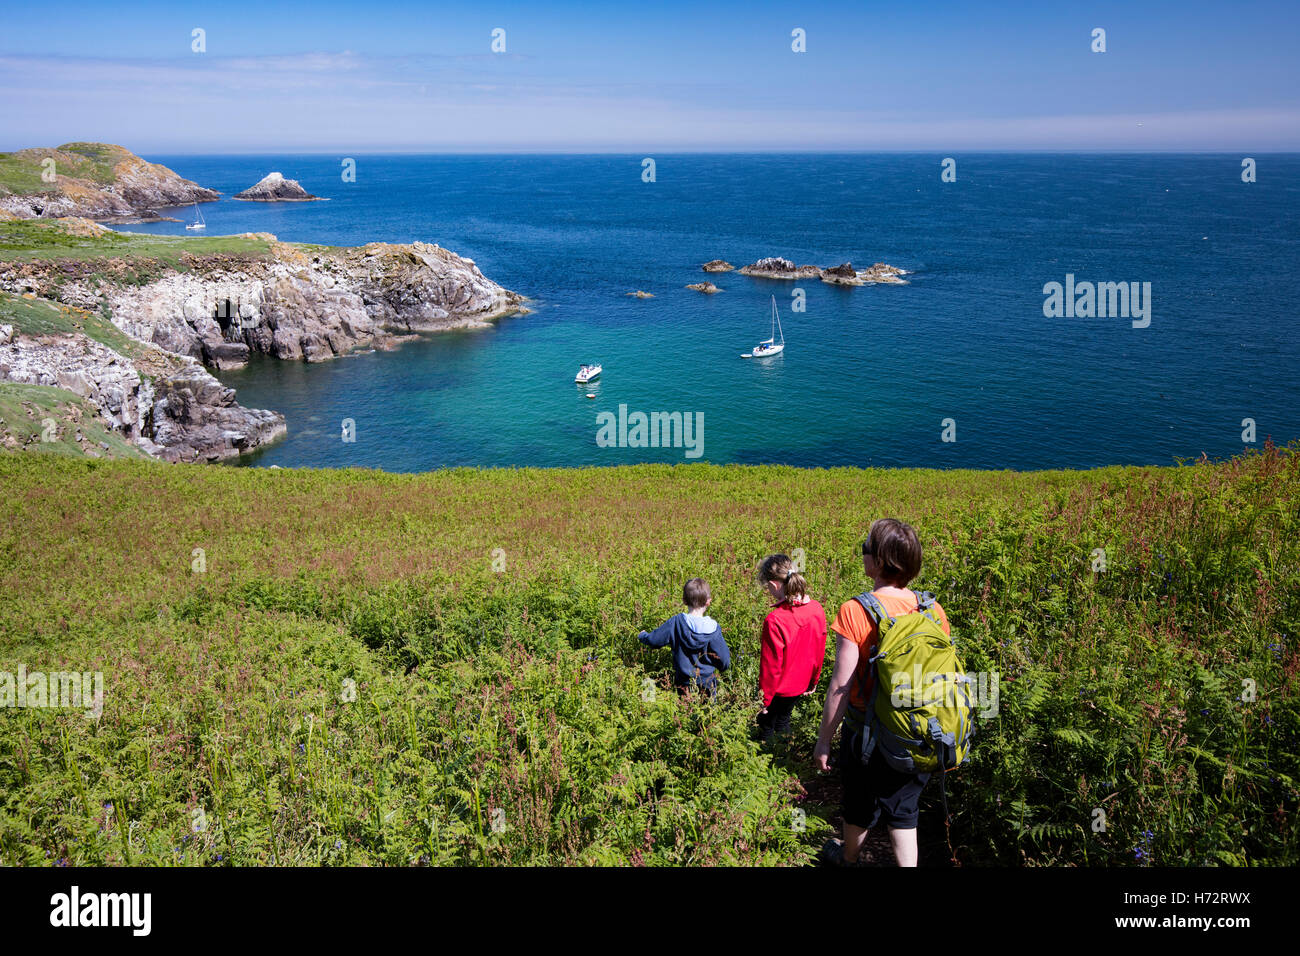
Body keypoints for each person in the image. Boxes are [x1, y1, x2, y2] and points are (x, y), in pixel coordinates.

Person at [813, 518, 952, 867]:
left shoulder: (856, 610)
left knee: (859, 805)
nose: (863, 554)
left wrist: (824, 740)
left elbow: (840, 686)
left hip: (866, 733)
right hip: (919, 729)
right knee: (905, 811)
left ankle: (848, 859)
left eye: (867, 548)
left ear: (879, 561)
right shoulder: (933, 611)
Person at [755, 554, 827, 743]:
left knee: (767, 724)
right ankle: (786, 758)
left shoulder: (775, 620)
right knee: (784, 719)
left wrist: (764, 700)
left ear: (773, 585)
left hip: (779, 689)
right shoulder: (817, 609)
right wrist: (814, 680)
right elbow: (819, 649)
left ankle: (768, 762)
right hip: (801, 684)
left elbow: (771, 667)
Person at [638, 577, 731, 696]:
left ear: (684, 600)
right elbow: (724, 660)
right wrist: (721, 669)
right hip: (707, 683)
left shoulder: (677, 622)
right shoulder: (713, 628)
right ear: (708, 601)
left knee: (685, 711)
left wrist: (643, 635)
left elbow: (654, 640)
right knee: (708, 713)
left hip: (683, 683)